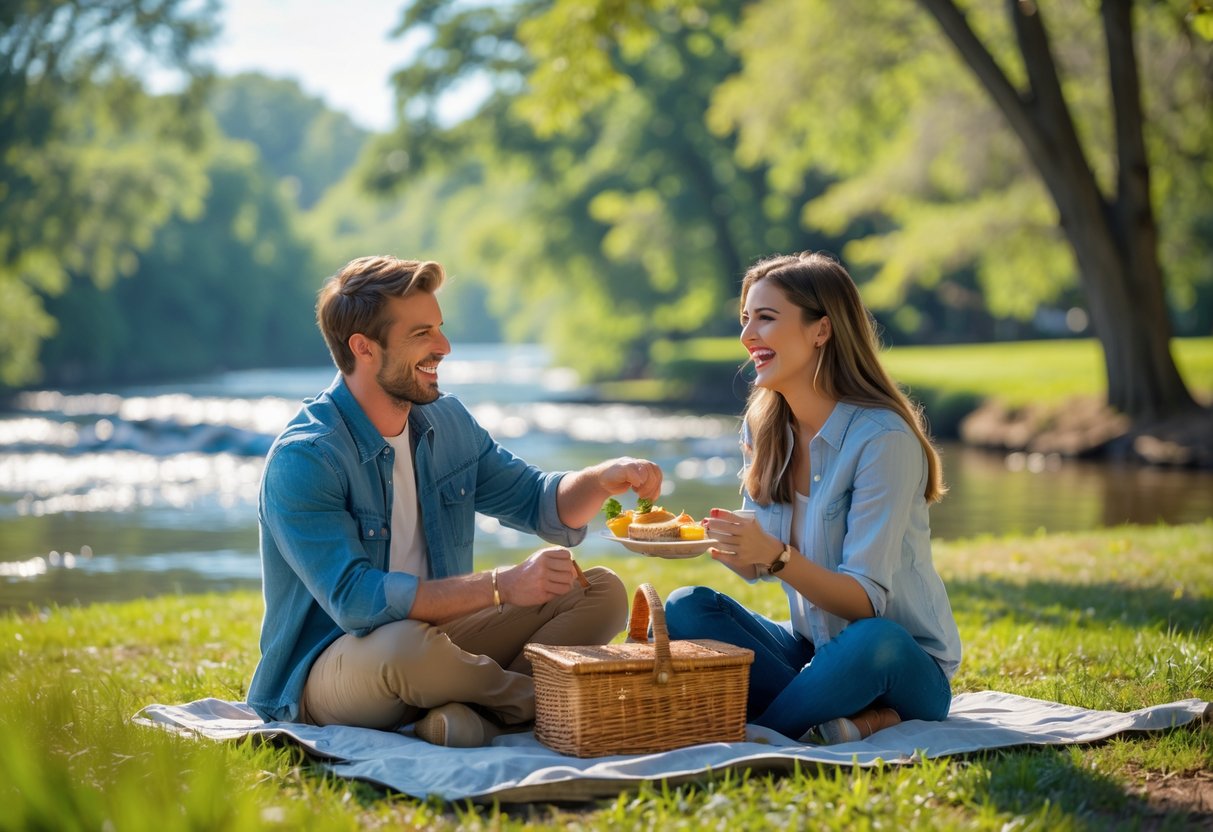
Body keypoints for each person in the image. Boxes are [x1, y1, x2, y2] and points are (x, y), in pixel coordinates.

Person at [247, 255, 663, 747]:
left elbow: (538, 501)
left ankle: (464, 717)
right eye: (421, 334)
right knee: (404, 648)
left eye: (439, 329)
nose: (443, 347)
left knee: (600, 591)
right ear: (364, 348)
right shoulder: (306, 458)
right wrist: (499, 586)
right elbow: (358, 603)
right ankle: (547, 701)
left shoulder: (447, 424)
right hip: (338, 665)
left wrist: (599, 479)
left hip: (443, 644)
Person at [664, 251, 961, 744]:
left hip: (899, 663)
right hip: (814, 651)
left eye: (766, 318)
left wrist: (776, 557)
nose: (747, 336)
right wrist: (732, 546)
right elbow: (761, 561)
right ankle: (837, 719)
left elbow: (865, 603)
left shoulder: (881, 440)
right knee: (686, 608)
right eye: (745, 319)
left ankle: (759, 734)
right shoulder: (764, 428)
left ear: (820, 330)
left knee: (874, 640)